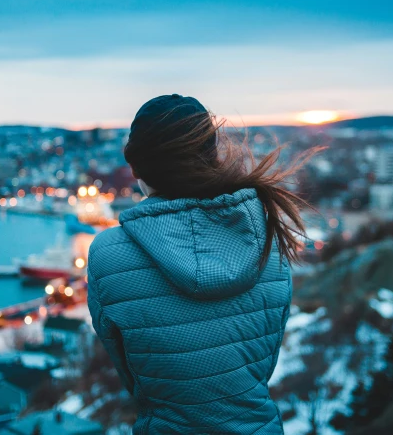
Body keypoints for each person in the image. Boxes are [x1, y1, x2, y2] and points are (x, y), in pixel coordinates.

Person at [87, 94, 318, 434]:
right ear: (212, 156)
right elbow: (260, 366)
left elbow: (131, 372)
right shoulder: (268, 240)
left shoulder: (110, 253)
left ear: (135, 168)